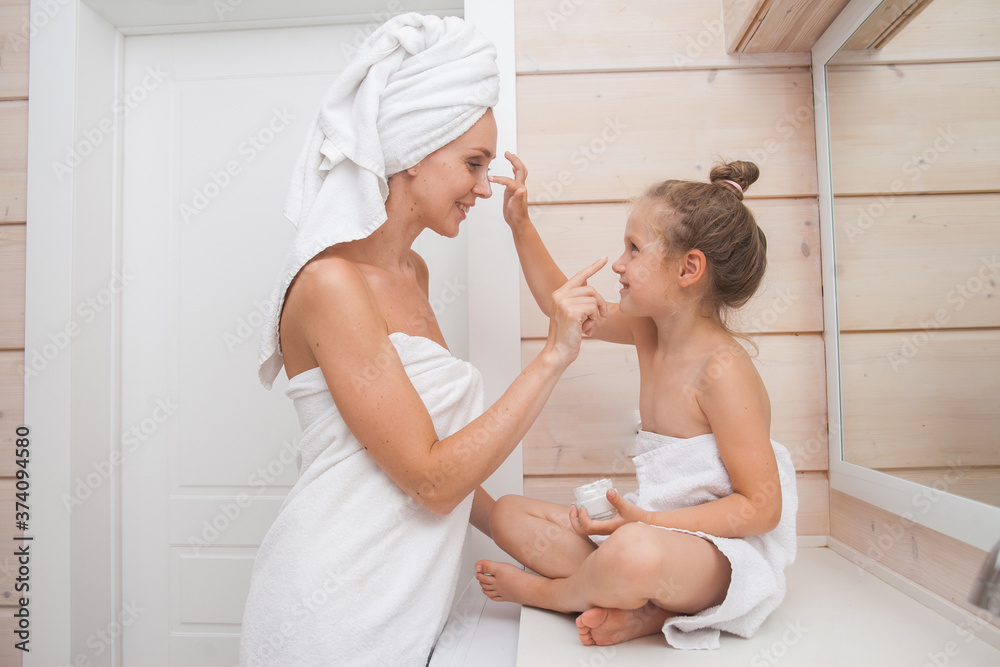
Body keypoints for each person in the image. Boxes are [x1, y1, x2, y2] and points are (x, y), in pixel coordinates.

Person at [239, 15, 607, 667]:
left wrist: (540, 538)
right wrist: (553, 354)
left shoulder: (414, 272)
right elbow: (431, 479)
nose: (485, 186)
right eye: (473, 162)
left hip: (405, 608)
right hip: (332, 614)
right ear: (413, 146)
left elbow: (411, 458)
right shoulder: (331, 284)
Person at [474, 154, 799, 651]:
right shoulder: (650, 331)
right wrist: (520, 223)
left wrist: (646, 523)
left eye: (633, 249)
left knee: (631, 553)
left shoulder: (724, 370)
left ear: (689, 268)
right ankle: (644, 607)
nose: (619, 264)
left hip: (719, 555)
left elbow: (761, 508)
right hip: (649, 530)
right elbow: (560, 304)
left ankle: (557, 594)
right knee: (509, 515)